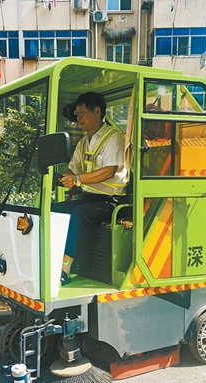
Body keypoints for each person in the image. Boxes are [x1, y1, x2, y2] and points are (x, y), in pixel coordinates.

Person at [57, 92, 128, 285]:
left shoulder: (114, 138)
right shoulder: (84, 142)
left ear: (97, 112)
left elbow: (109, 171)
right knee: (55, 210)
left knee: (80, 213)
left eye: (82, 112)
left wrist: (77, 180)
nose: (78, 117)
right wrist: (64, 176)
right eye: (77, 112)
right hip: (90, 198)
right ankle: (52, 260)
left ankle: (64, 268)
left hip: (110, 201)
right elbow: (72, 168)